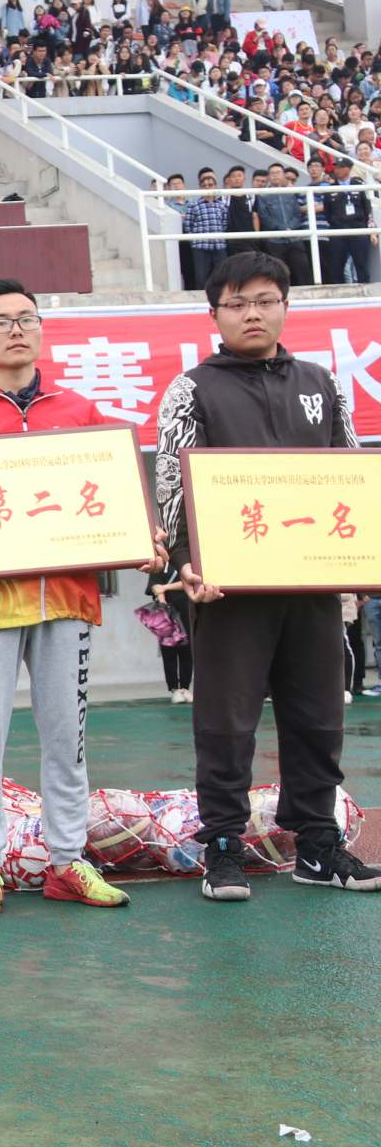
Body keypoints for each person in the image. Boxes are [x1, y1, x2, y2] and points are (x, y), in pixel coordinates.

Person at [0, 280, 157, 917]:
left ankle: (67, 861)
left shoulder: (81, 414)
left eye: (26, 318)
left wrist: (140, 533)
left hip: (67, 603)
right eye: (0, 322)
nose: (16, 329)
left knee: (66, 740)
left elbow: (116, 494)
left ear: (41, 328)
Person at [157, 252, 381, 898]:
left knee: (318, 717)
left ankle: (317, 844)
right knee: (225, 724)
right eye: (236, 303)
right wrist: (186, 562)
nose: (251, 313)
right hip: (228, 589)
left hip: (311, 586)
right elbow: (173, 484)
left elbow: (347, 472)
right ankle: (224, 846)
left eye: (264, 300)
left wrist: (360, 558)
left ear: (285, 306)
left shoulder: (322, 383)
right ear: (214, 314)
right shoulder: (192, 389)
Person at [143, 569, 193, 703]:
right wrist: (163, 605)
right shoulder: (158, 566)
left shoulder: (185, 564)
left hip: (187, 611)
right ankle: (174, 689)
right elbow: (155, 587)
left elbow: (188, 582)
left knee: (187, 651)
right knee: (169, 651)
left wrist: (165, 587)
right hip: (167, 612)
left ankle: (185, 688)